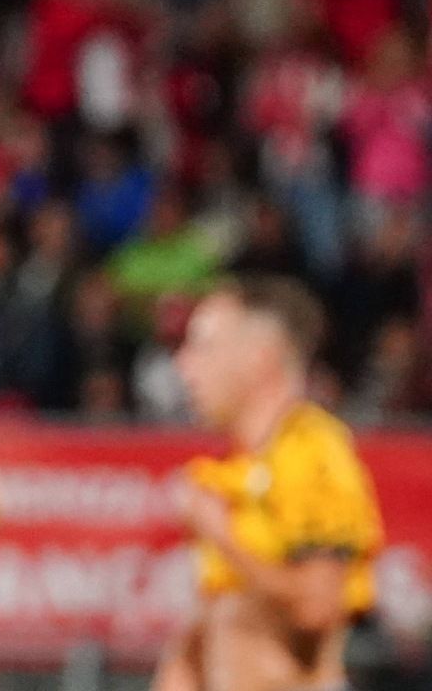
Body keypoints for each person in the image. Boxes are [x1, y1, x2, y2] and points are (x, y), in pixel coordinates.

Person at [156, 276, 384, 691]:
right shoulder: (235, 471)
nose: (183, 365)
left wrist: (221, 533)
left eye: (204, 347)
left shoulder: (313, 451)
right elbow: (219, 620)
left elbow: (318, 607)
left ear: (260, 359)